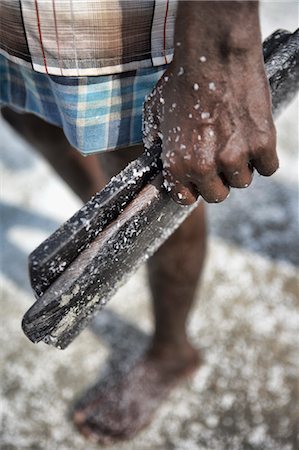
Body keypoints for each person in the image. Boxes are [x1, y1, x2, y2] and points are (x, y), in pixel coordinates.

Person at [0, 0, 278, 444]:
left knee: (158, 173)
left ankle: (172, 351)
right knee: (29, 111)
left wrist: (222, 54)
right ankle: (117, 229)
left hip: (104, 18)